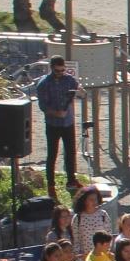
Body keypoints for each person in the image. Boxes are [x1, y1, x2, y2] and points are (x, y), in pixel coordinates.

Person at [34, 56, 82, 194]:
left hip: (68, 123)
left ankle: (71, 180)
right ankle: (51, 184)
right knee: (52, 154)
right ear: (51, 68)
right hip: (53, 124)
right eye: (57, 71)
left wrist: (81, 91)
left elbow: (78, 90)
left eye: (62, 70)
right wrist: (56, 113)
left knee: (70, 153)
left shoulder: (69, 79)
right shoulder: (44, 83)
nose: (60, 73)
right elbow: (43, 106)